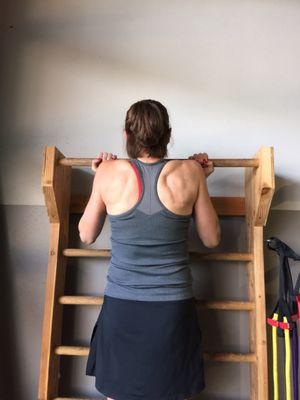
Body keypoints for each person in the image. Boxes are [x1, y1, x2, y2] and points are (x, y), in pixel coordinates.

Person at [79, 99, 221, 400]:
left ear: (127, 135)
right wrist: (200, 179)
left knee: (119, 394)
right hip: (172, 307)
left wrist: (99, 180)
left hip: (123, 305)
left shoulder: (107, 172)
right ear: (168, 135)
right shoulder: (191, 172)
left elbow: (86, 234)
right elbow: (212, 239)